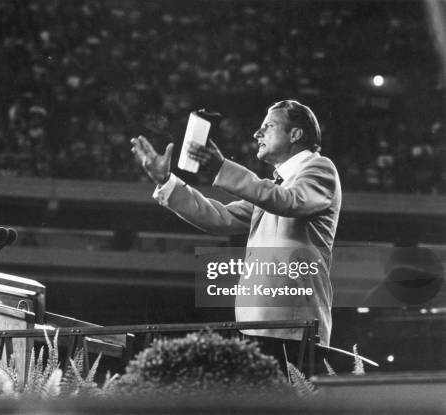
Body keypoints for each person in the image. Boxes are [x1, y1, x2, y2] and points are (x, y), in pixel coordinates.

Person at [131, 100, 341, 370]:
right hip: (258, 326)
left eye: (269, 126)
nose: (257, 133)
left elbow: (288, 201)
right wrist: (166, 181)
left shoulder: (320, 168)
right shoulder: (275, 186)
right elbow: (220, 217)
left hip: (294, 328)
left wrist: (222, 168)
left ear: (295, 134)